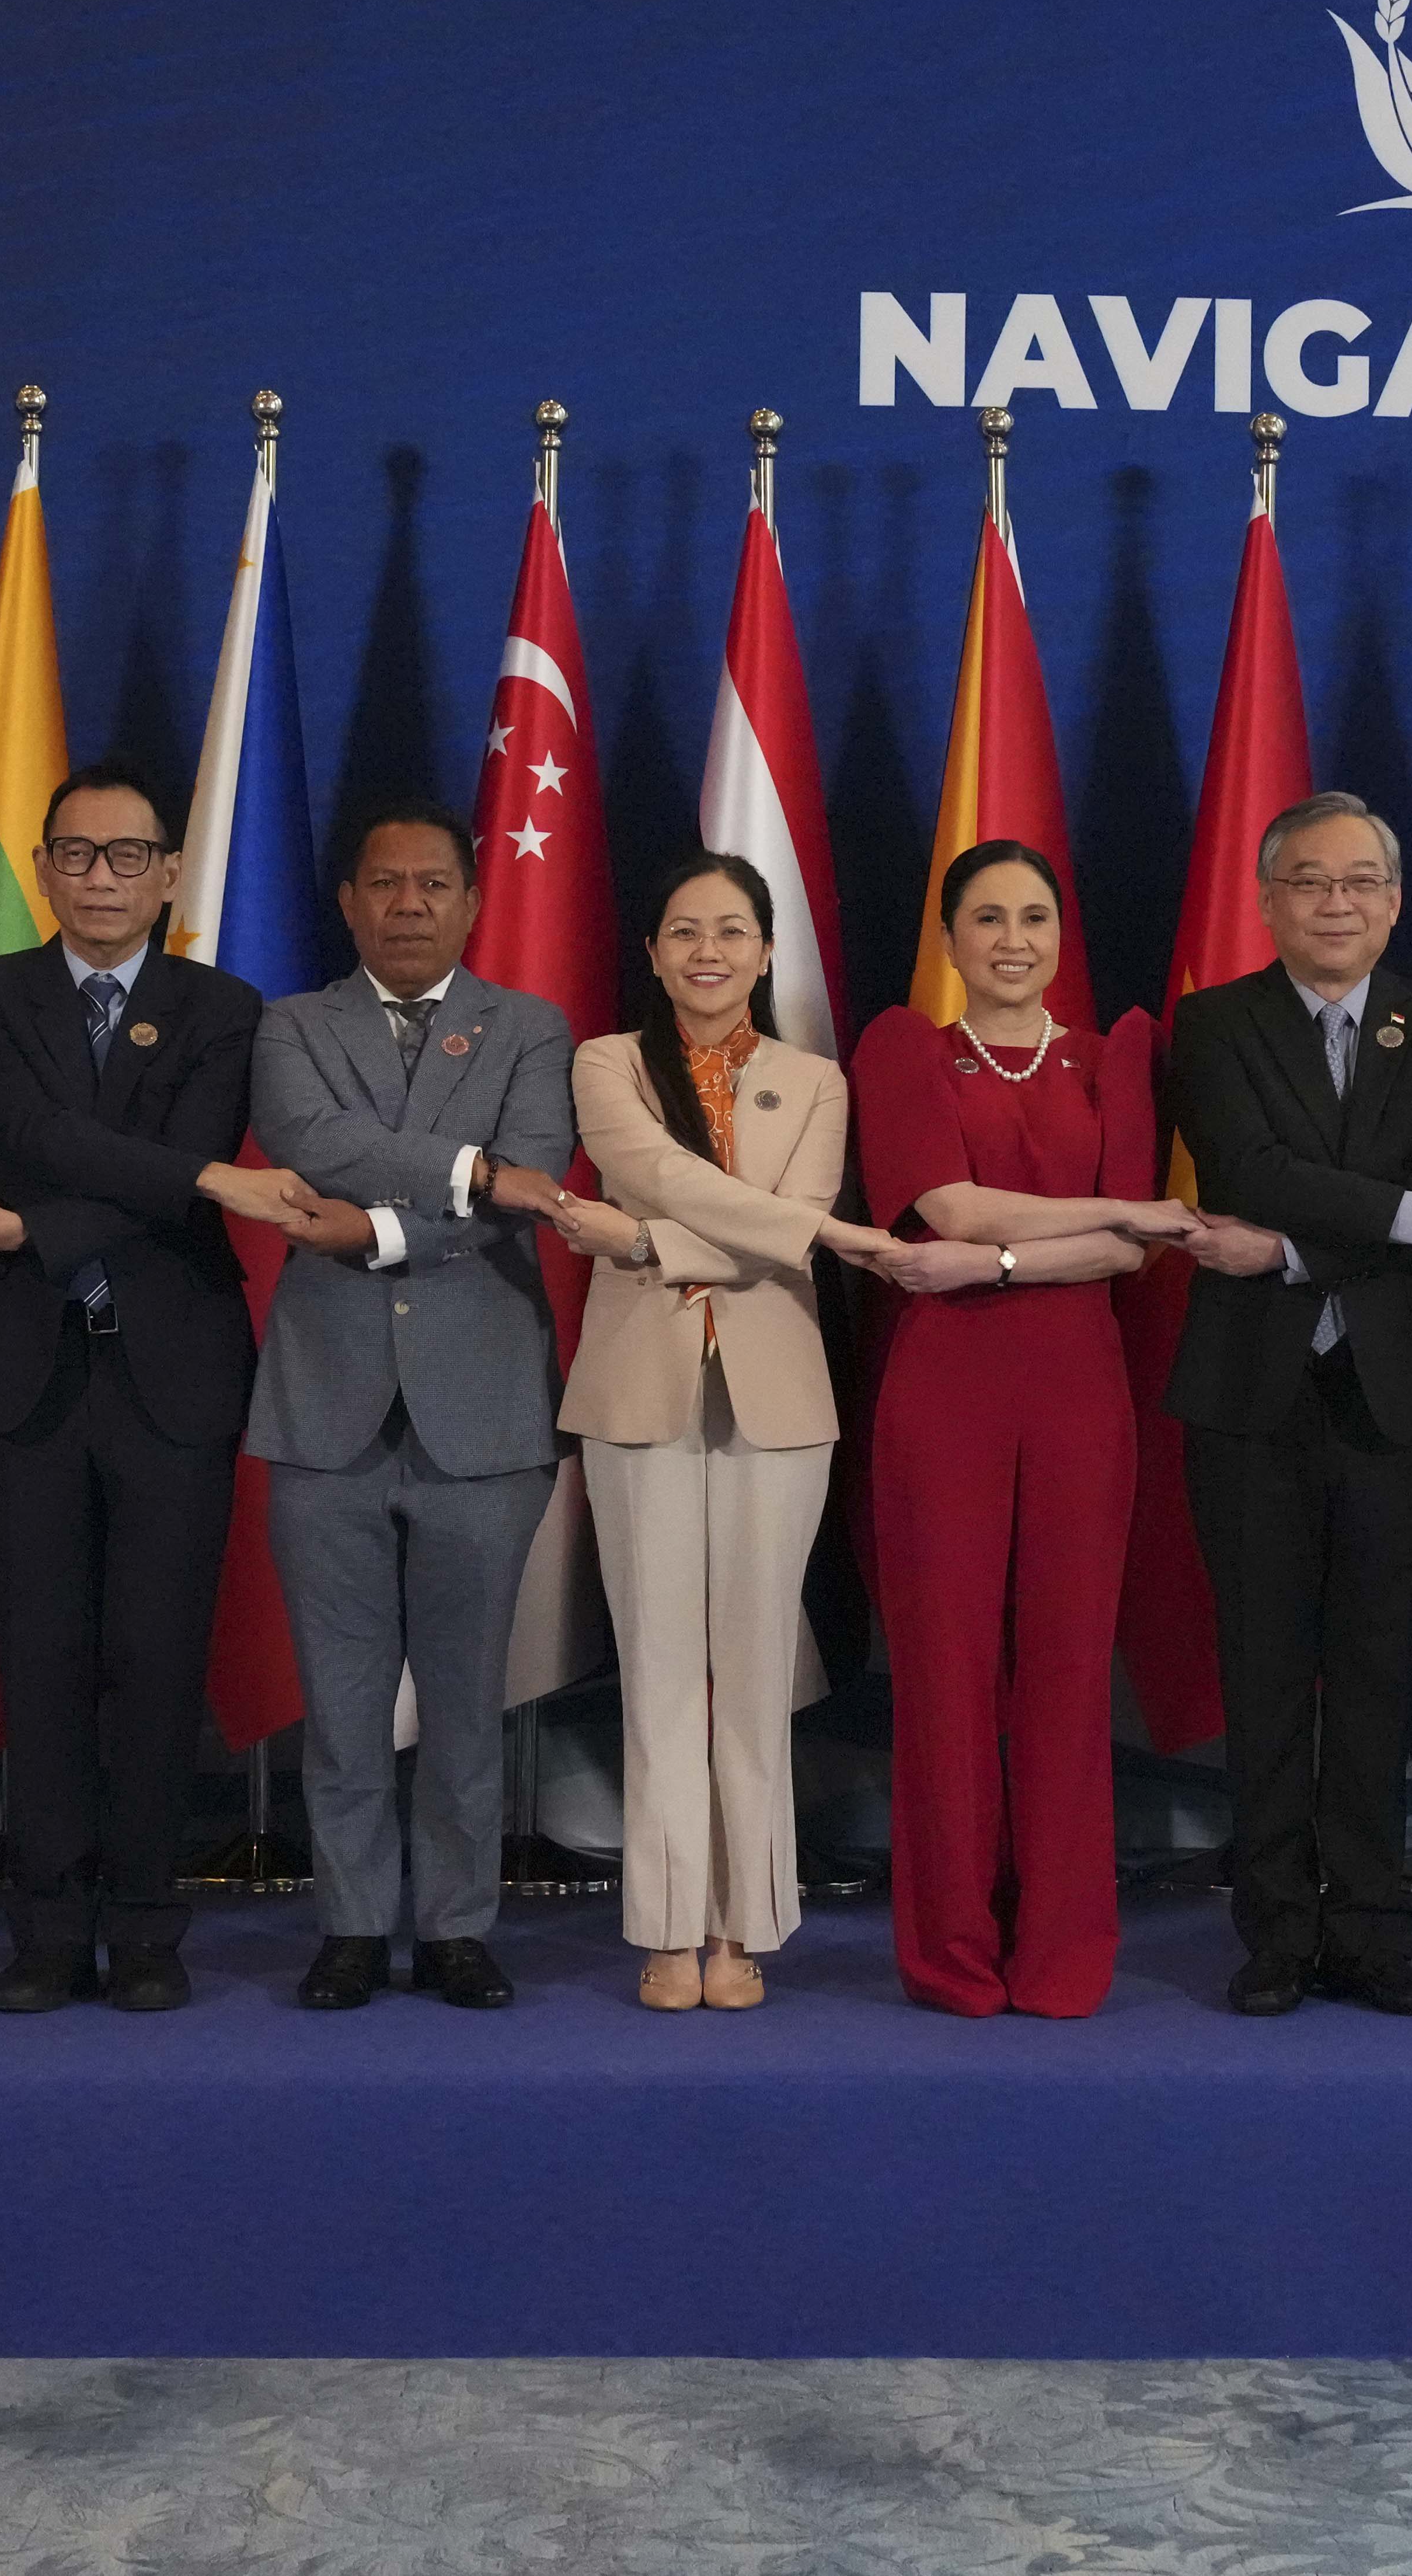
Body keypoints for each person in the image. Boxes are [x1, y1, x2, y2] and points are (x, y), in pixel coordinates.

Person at [0, 764, 267, 2014]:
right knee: (41, 1662)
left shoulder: (223, 1006)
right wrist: (187, 1180)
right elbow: (29, 1132)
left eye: (128, 855)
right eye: (75, 853)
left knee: (158, 1660)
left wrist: (32, 1227)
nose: (101, 878)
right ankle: (45, 1931)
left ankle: (146, 1928)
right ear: (40, 868)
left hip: (171, 1374)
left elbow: (188, 1158)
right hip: (29, 1373)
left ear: (170, 873)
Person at [1163, 795, 1412, 2019]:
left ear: (1395, 903)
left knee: (1372, 1673)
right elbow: (1249, 1170)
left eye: (1360, 882)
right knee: (1263, 1674)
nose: (1336, 902)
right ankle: (1273, 1933)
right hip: (1248, 1394)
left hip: (1390, 1393)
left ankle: (1367, 1931)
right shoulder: (1212, 1021)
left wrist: (1293, 1249)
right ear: (1268, 899)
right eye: (1310, 881)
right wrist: (1406, 1215)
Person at [245, 800, 578, 2013]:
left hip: (483, 1409)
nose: (408, 904)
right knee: (338, 1705)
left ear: (472, 900)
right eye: (384, 883)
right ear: (347, 901)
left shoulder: (531, 1027)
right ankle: (348, 1924)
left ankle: (454, 1925)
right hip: (322, 1405)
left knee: (465, 1696)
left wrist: (379, 1229)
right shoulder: (291, 1023)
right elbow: (308, 1137)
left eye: (433, 883)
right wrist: (467, 1172)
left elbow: (537, 1171)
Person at [552, 851, 898, 2010]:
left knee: (754, 1670)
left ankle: (741, 1924)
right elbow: (651, 1169)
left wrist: (644, 1241)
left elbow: (793, 1220)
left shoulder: (815, 1079)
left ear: (765, 951)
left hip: (777, 1395)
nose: (708, 950)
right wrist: (799, 1234)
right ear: (652, 952)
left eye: (732, 930)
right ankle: (664, 1926)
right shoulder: (607, 1062)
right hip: (637, 1389)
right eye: (685, 930)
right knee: (656, 1665)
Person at [852, 838, 1180, 2018]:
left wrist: (992, 1261)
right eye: (986, 917)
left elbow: (1129, 1252)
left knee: (1067, 1673)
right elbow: (946, 1203)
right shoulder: (906, 1047)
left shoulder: (1114, 1054)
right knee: (943, 1675)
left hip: (1080, 1393)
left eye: (1033, 916)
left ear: (1059, 934)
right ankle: (951, 1951)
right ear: (949, 938)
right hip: (944, 1395)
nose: (1011, 939)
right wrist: (1100, 1214)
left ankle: (1058, 1950)